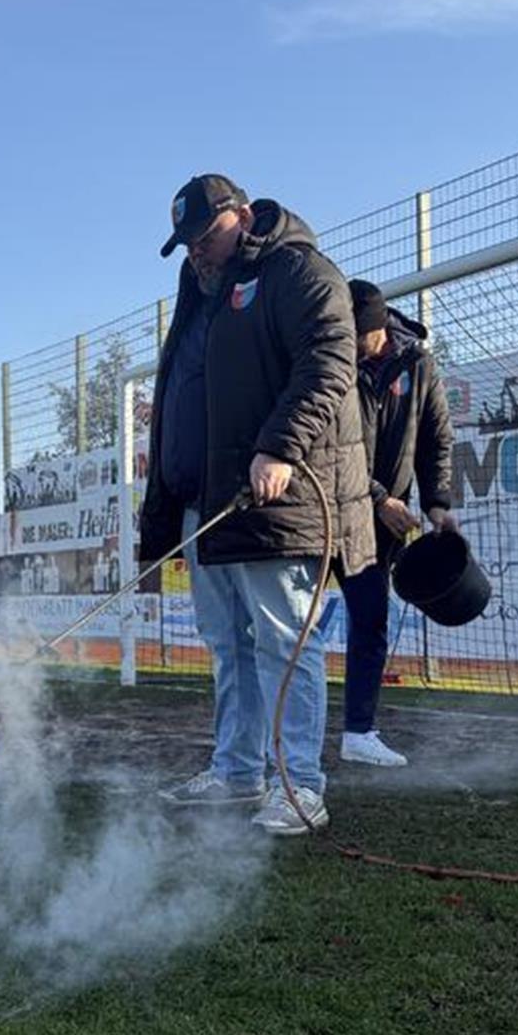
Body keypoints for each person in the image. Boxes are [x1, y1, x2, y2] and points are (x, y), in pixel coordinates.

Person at [140, 172, 375, 835]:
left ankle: (298, 782)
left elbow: (331, 360)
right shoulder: (201, 296)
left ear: (241, 216)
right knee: (226, 644)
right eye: (186, 244)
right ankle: (238, 771)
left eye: (204, 236)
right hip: (206, 506)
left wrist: (277, 447)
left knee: (283, 640)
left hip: (276, 502)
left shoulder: (296, 272)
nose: (196, 252)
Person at [338, 280, 455, 766]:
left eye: (353, 333)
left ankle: (359, 732)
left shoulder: (418, 365)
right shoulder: (334, 364)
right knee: (286, 626)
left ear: (378, 329)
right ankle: (269, 738)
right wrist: (380, 496)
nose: (345, 341)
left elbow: (436, 440)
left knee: (369, 619)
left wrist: (437, 504)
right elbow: (330, 452)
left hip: (378, 527)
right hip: (326, 509)